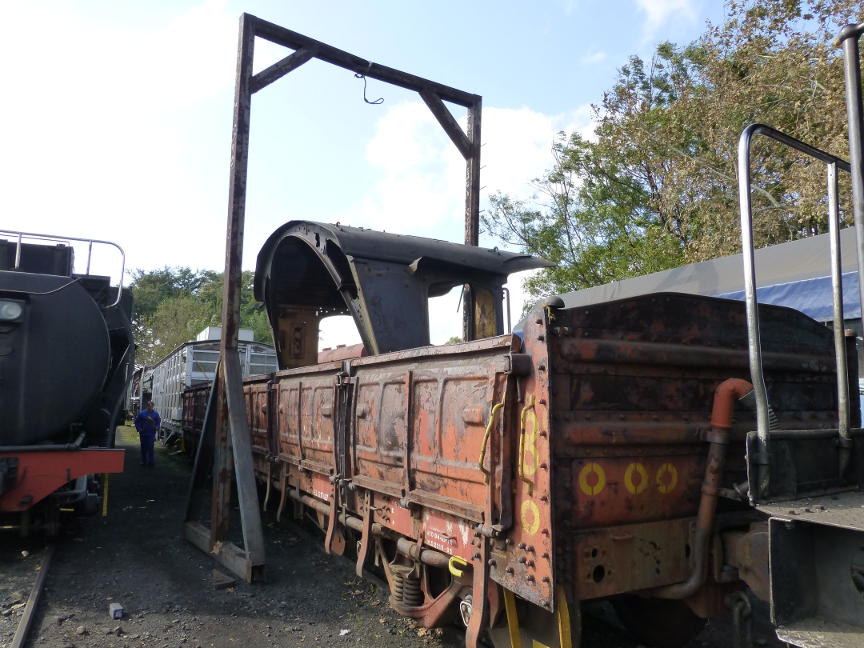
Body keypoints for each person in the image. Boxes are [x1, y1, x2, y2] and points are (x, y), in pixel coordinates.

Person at [134, 401, 161, 466]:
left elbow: (158, 422)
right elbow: (137, 422)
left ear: (153, 406)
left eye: (151, 407)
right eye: (149, 407)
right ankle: (143, 461)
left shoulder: (155, 414)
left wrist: (157, 427)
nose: (150, 408)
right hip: (143, 433)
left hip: (151, 433)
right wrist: (139, 429)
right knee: (143, 447)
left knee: (151, 447)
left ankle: (151, 461)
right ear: (147, 406)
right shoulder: (142, 413)